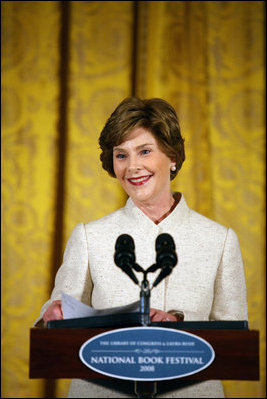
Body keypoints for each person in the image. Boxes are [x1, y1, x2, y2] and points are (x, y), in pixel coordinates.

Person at [35, 97, 248, 398]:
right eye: (121, 155)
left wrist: (180, 325)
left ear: (172, 156)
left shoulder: (221, 240)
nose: (132, 167)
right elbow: (54, 319)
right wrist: (52, 317)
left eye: (145, 151)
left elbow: (234, 345)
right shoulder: (89, 236)